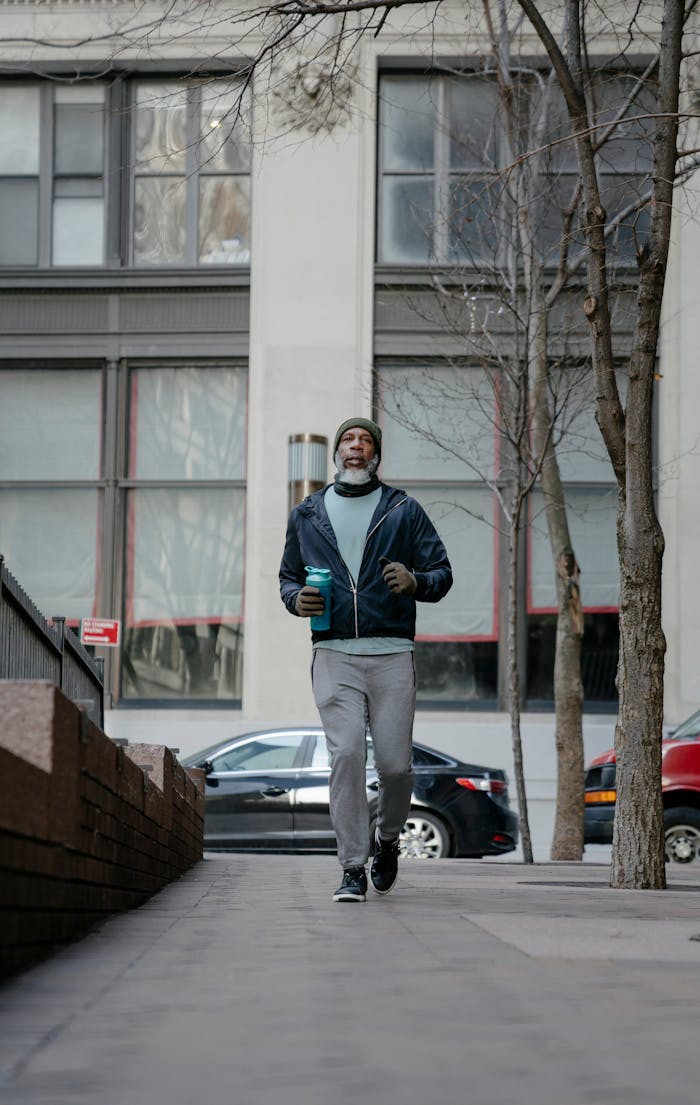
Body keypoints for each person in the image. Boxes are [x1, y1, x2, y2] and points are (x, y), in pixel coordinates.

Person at [279, 417, 453, 902]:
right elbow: (288, 578)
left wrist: (416, 581)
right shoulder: (307, 513)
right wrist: (297, 600)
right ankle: (352, 866)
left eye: (365, 441)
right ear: (337, 453)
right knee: (348, 757)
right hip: (333, 653)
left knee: (396, 766)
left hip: (393, 653)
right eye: (348, 440)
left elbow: (442, 571)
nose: (356, 447)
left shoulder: (403, 510)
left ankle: (389, 839)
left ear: (376, 455)